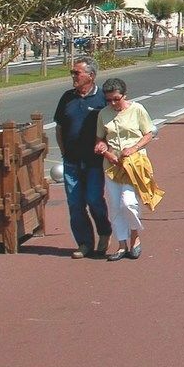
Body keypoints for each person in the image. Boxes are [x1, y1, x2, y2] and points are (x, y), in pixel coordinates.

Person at [96, 77, 159, 260]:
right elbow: (100, 139)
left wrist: (133, 148)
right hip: (112, 164)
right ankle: (121, 244)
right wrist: (105, 151)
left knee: (128, 202)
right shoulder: (103, 114)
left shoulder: (137, 109)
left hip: (134, 163)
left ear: (125, 95)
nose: (113, 103)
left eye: (116, 99)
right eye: (109, 100)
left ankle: (135, 236)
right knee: (115, 206)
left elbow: (148, 133)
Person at [53, 57, 110, 259]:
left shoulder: (103, 98)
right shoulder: (67, 97)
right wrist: (63, 151)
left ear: (91, 76)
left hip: (94, 161)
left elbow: (114, 126)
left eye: (77, 73)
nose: (73, 76)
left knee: (94, 199)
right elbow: (59, 127)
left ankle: (104, 232)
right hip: (71, 162)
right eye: (73, 73)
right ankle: (85, 243)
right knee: (75, 204)